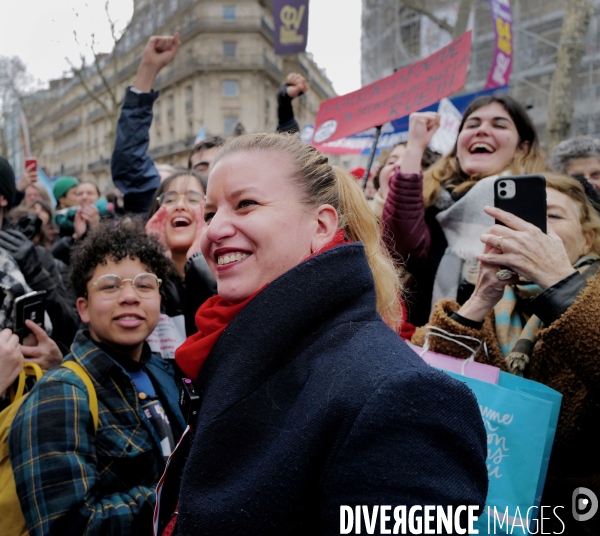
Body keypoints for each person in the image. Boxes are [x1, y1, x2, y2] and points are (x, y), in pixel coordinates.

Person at [154, 133, 488, 535]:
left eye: (246, 204)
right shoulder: (237, 350)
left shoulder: (401, 396)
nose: (214, 230)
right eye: (210, 213)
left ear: (321, 225)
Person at [412, 173, 600, 535]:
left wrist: (561, 286)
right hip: (483, 506)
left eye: (553, 217)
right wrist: (478, 301)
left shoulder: (590, 299)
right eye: (525, 217)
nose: (533, 229)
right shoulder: (494, 295)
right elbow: (418, 380)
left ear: (588, 237)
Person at [9, 218, 186, 535]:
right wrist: (180, 495)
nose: (130, 297)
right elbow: (67, 526)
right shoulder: (59, 395)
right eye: (110, 286)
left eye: (144, 285)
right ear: (84, 308)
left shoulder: (166, 371)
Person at [383, 95, 545, 326]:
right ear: (458, 145)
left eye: (499, 125)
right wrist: (415, 146)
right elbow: (402, 246)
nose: (482, 131)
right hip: (430, 341)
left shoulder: (546, 202)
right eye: (472, 124)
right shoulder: (433, 201)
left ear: (522, 148)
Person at [145, 170, 216, 350]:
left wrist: (200, 262)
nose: (180, 206)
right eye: (169, 200)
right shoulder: (141, 276)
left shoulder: (235, 273)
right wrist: (155, 260)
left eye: (193, 199)